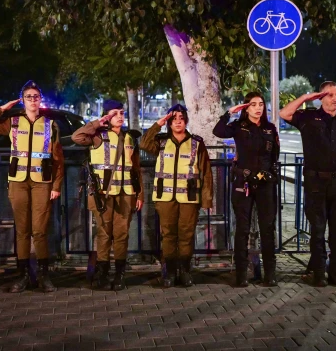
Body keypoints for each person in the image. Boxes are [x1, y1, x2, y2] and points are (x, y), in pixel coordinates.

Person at [0, 80, 64, 293]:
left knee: (40, 231)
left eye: (36, 96)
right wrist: (3, 108)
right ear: (22, 100)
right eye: (29, 97)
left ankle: (44, 276)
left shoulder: (50, 125)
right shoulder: (13, 122)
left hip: (42, 183)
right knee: (22, 231)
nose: (33, 100)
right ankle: (23, 276)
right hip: (18, 182)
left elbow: (58, 159)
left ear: (40, 99)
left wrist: (56, 185)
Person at [279, 81, 336, 287]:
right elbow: (284, 113)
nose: (335, 99)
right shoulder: (308, 118)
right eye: (330, 95)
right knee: (317, 230)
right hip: (316, 183)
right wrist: (307, 98)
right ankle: (318, 273)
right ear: (321, 98)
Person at [71, 100, 143, 290]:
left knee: (122, 234)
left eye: (121, 112)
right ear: (106, 116)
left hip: (126, 193)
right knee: (104, 234)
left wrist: (140, 194)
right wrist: (97, 123)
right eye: (114, 113)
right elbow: (76, 137)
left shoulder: (130, 138)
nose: (119, 116)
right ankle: (102, 273)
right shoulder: (96, 136)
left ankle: (119, 275)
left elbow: (136, 169)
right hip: (102, 194)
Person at [140, 104, 213, 287]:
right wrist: (159, 123)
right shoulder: (161, 141)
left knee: (186, 235)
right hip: (165, 198)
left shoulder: (197, 142)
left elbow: (206, 172)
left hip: (189, 198)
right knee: (169, 235)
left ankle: (185, 271)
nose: (178, 122)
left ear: (186, 120)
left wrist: (207, 199)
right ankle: (169, 272)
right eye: (174, 119)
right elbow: (143, 143)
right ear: (169, 122)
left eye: (181, 118)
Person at [213, 92, 279, 287]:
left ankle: (270, 275)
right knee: (242, 230)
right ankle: (241, 275)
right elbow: (218, 131)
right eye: (253, 104)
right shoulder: (239, 127)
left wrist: (270, 174)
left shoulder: (270, 128)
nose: (258, 108)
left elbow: (274, 156)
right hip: (244, 182)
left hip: (266, 184)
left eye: (261, 104)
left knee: (267, 229)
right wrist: (230, 113)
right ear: (246, 108)